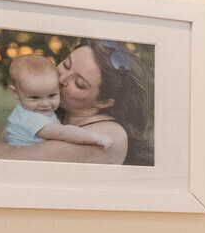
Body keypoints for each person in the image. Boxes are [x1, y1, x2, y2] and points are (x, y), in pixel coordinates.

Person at [0, 52, 116, 159]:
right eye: (34, 97)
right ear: (16, 93)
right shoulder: (30, 118)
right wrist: (95, 138)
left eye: (52, 95)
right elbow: (63, 133)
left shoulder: (23, 110)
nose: (45, 104)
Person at [50, 38, 153, 167]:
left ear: (104, 102)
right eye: (66, 65)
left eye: (79, 84)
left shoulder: (110, 134)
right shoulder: (56, 113)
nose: (61, 78)